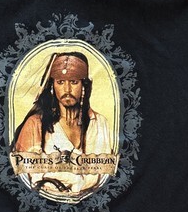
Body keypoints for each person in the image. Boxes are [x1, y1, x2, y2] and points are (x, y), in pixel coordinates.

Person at [11, 51, 112, 201]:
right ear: (52, 86)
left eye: (74, 82)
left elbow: (105, 176)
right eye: (60, 82)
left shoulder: (99, 124)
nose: (67, 89)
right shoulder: (35, 124)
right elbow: (25, 177)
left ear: (84, 86)